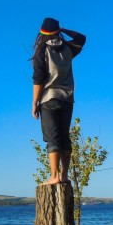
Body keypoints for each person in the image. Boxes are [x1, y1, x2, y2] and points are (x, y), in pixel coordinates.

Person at [32, 17, 86, 185]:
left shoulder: (42, 51)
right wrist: (63, 30)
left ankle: (54, 176)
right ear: (57, 32)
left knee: (52, 137)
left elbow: (38, 79)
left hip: (49, 98)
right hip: (68, 99)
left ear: (42, 33)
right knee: (64, 137)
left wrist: (34, 103)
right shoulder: (68, 49)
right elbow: (81, 38)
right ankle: (64, 175)